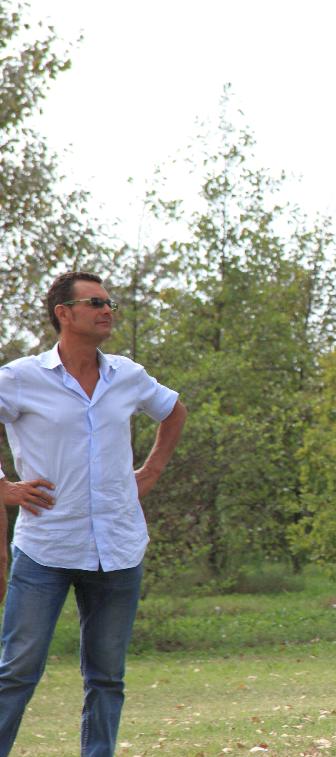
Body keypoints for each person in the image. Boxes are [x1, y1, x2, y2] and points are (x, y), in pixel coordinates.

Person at [0, 271, 187, 757]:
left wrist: (151, 470)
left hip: (119, 549)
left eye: (110, 303)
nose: (108, 310)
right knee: (17, 671)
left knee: (106, 677)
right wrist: (4, 488)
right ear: (64, 313)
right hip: (46, 548)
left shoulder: (127, 375)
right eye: (96, 302)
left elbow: (173, 411)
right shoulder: (21, 378)